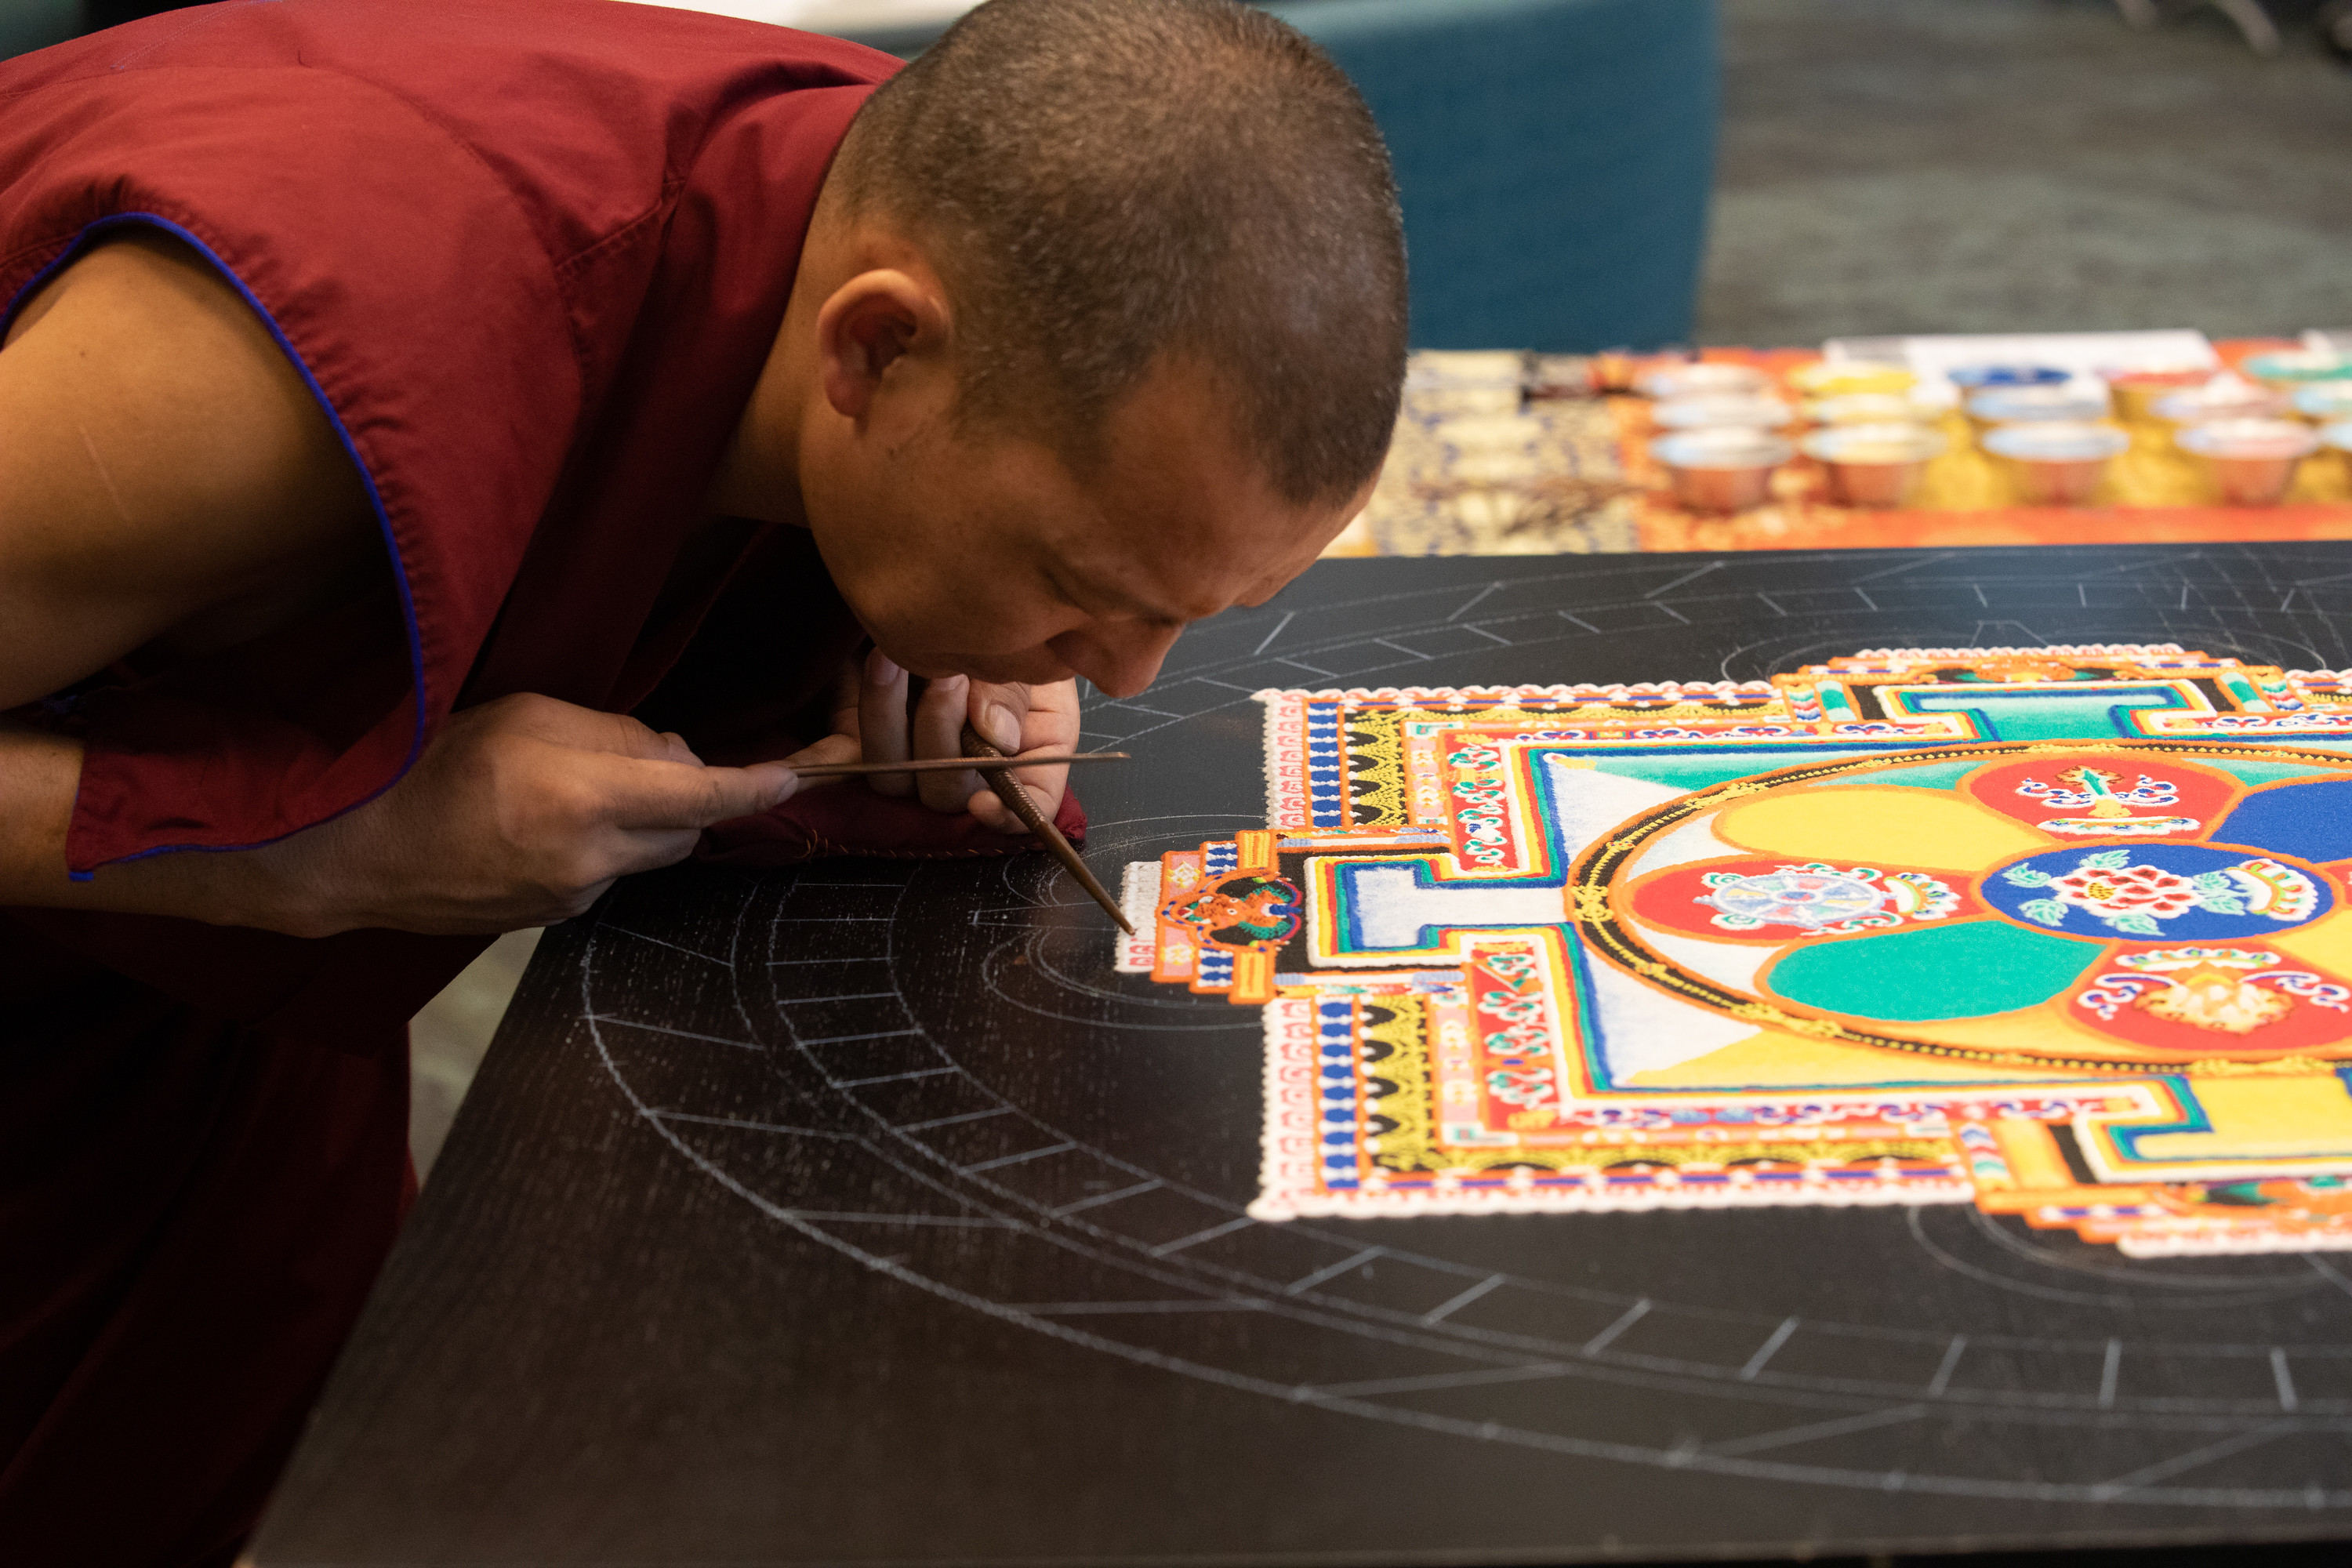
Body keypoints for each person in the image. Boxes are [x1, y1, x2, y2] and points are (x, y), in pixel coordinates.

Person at [0, 0, 1405, 1559]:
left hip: (216, 1074)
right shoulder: (244, 387)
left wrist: (952, 634)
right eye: (1080, 582)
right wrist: (310, 849)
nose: (1123, 673)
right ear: (872, 349)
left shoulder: (938, 220)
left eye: (1181, 611)